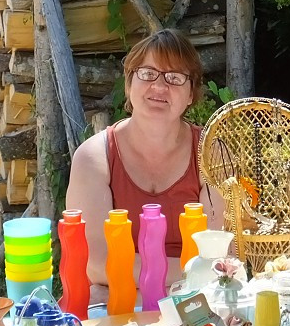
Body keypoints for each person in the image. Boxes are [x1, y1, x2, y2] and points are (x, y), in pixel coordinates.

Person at [65, 29, 222, 303]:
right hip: (113, 302)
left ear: (191, 94)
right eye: (148, 73)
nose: (160, 87)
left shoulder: (212, 154)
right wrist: (191, 271)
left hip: (192, 301)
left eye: (174, 78)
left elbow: (217, 256)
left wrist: (130, 272)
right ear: (128, 85)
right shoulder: (93, 158)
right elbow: (96, 263)